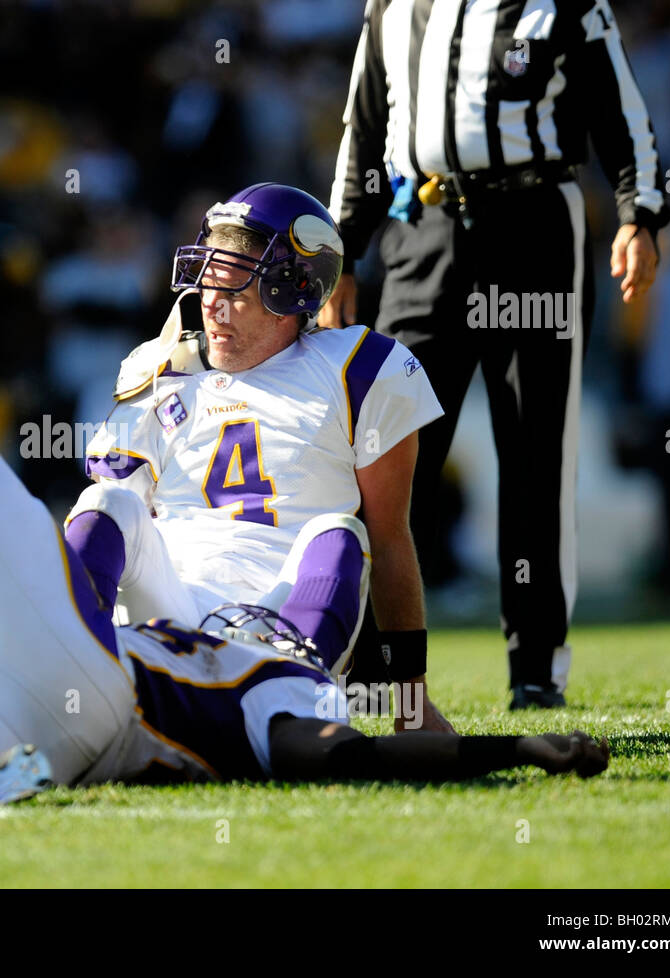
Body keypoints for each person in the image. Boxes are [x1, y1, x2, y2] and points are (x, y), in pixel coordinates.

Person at [0, 366, 609, 807]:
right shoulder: (290, 678)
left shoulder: (287, 689)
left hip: (89, 677)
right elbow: (336, 747)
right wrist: (513, 753)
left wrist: (513, 752)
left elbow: (338, 755)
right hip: (44, 729)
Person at [321, 0, 670, 708]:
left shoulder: (565, 5)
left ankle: (536, 668)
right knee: (386, 457)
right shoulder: (393, 5)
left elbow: (621, 112)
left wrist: (639, 214)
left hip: (534, 223)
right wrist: (340, 252)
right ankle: (378, 671)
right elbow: (363, 123)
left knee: (536, 450)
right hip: (421, 229)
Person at [66, 183, 452, 732]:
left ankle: (287, 698)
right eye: (207, 284)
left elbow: (390, 540)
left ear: (290, 294)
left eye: (235, 292)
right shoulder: (163, 371)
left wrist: (411, 701)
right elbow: (111, 530)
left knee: (342, 534)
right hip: (169, 609)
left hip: (283, 623)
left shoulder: (358, 370)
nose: (212, 306)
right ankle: (67, 674)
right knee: (103, 501)